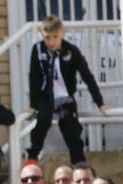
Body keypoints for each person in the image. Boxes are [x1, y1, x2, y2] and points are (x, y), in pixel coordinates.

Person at [25, 15, 106, 164]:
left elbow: (87, 76)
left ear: (63, 33)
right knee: (42, 121)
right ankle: (32, 159)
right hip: (45, 95)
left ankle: (79, 165)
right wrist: (33, 104)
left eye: (54, 37)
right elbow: (34, 77)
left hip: (65, 96)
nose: (50, 42)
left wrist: (99, 102)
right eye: (46, 37)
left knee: (73, 132)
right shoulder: (37, 49)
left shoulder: (71, 51)